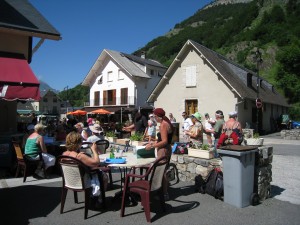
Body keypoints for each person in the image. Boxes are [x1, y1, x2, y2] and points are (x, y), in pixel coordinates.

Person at [63, 132, 108, 207]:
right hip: (82, 182)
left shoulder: (64, 154)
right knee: (104, 176)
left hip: (70, 181)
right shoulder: (79, 156)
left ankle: (92, 197)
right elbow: (96, 162)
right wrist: (94, 150)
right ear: (79, 143)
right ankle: (100, 200)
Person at [145, 108, 173, 201]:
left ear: (157, 116)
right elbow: (165, 139)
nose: (154, 118)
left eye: (154, 116)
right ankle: (163, 192)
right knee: (164, 170)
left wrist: (152, 146)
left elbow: (164, 141)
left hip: (163, 150)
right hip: (166, 149)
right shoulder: (166, 123)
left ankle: (162, 193)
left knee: (160, 171)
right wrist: (154, 142)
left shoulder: (163, 125)